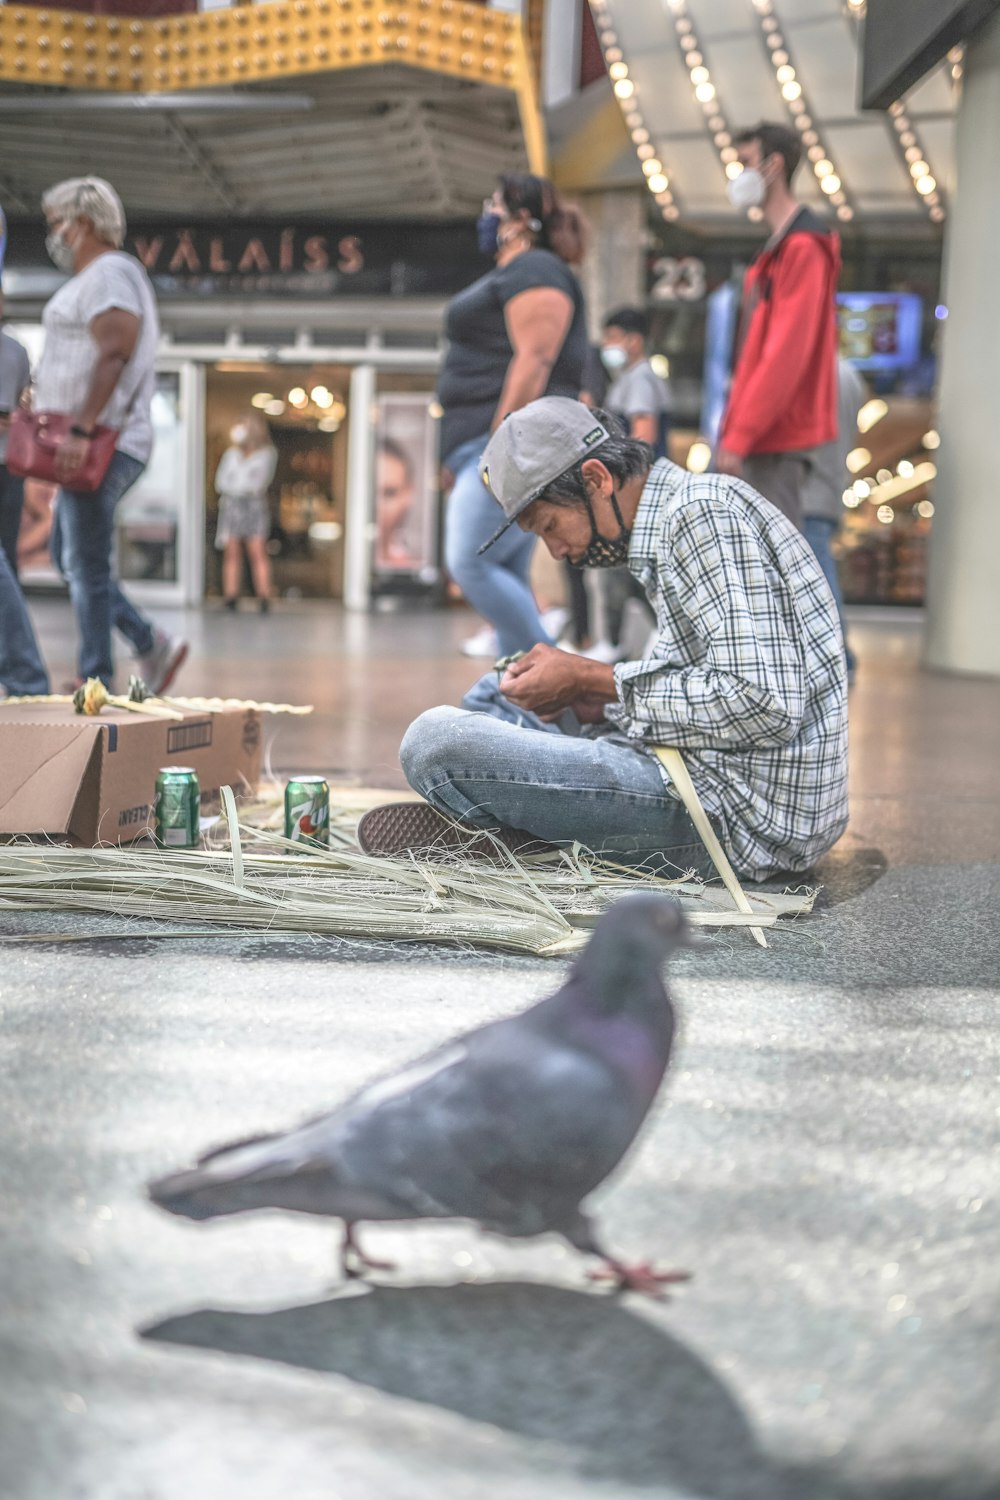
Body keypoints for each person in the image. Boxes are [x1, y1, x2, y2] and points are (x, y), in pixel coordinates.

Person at [379, 398, 848, 883]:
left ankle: (529, 834)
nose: (558, 551)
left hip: (732, 820)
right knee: (495, 692)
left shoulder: (699, 516)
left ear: (597, 480)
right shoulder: (686, 514)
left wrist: (598, 679)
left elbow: (764, 704)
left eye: (550, 527)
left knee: (435, 742)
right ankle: (535, 827)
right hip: (701, 771)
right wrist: (599, 703)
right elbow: (714, 683)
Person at [35, 176, 187, 691]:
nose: (53, 235)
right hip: (93, 437)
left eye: (57, 223)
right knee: (68, 557)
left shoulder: (109, 273)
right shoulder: (99, 277)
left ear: (83, 224)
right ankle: (148, 641)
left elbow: (115, 349)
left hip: (102, 440)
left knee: (86, 563)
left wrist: (80, 428)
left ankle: (95, 677)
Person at [438, 174, 589, 659]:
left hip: (506, 447)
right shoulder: (519, 270)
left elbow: (535, 359)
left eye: (494, 204)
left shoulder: (536, 268)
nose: (487, 213)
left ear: (521, 220)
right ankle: (521, 706)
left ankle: (561, 687)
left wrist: (498, 450)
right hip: (480, 447)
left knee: (469, 563)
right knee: (500, 569)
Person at [715, 122, 841, 531]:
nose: (740, 174)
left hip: (777, 436)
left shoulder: (803, 248)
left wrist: (740, 434)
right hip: (765, 436)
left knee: (778, 569)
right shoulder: (778, 251)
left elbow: (787, 351)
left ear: (774, 166)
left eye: (746, 162)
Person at [585, 306, 672, 662]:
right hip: (634, 493)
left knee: (626, 567)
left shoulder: (640, 379)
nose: (607, 345)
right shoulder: (631, 378)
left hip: (634, 494)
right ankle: (628, 640)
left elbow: (644, 436)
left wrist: (621, 487)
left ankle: (625, 643)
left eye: (613, 337)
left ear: (634, 341)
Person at [801, 357, 867, 680]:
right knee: (820, 574)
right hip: (829, 487)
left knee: (819, 578)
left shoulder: (818, 371)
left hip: (807, 489)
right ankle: (838, 654)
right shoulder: (851, 376)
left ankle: (841, 656)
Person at [215, 411, 278, 612]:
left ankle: (263, 596)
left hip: (253, 506)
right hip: (232, 506)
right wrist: (237, 487)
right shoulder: (231, 455)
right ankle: (231, 597)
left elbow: (257, 483)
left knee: (257, 550)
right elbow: (221, 482)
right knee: (231, 552)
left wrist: (238, 486)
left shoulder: (267, 454)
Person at [374, 437, 418, 570]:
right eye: (369, 492)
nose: (377, 506)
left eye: (389, 493)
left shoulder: (412, 567)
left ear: (408, 495)